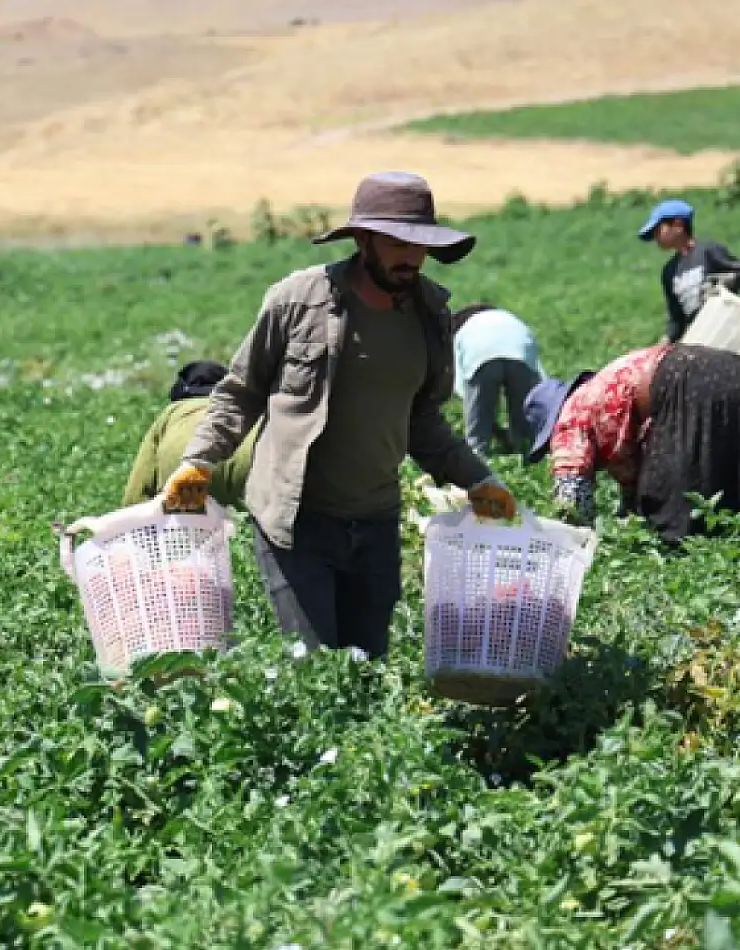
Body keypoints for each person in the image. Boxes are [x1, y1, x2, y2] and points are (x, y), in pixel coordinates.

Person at [166, 171, 517, 660]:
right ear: (364, 240)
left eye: (421, 244)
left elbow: (423, 421)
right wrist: (199, 461)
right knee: (316, 667)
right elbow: (240, 392)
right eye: (398, 242)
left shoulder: (430, 314)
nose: (411, 256)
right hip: (297, 521)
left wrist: (479, 480)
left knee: (369, 668)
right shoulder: (298, 300)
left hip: (374, 522)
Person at [524, 342, 740, 543]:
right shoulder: (603, 390)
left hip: (689, 380)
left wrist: (574, 543)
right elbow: (640, 475)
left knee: (672, 520)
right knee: (735, 485)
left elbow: (573, 497)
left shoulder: (570, 416)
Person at [122, 360, 259, 509]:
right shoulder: (244, 408)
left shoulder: (172, 412)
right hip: (246, 459)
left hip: (184, 465)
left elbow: (136, 494)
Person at [638, 199, 740, 343]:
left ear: (678, 225)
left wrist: (727, 280)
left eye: (658, 230)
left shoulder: (709, 251)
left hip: (726, 332)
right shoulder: (669, 271)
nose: (655, 237)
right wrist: (665, 342)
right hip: (700, 338)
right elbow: (677, 319)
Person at [452, 302, 544, 458]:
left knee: (477, 429)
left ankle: (477, 456)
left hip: (479, 355)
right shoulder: (508, 318)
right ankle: (525, 450)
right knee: (523, 412)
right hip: (520, 351)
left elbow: (466, 393)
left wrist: (490, 425)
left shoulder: (462, 332)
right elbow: (538, 377)